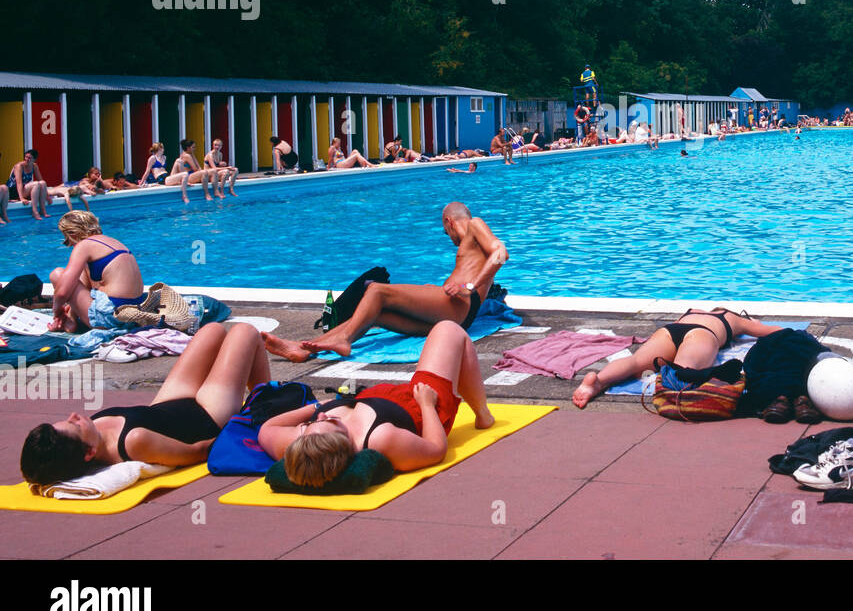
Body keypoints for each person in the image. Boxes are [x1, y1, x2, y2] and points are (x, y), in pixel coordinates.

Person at [20, 322, 270, 485]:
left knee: (212, 331)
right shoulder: (134, 442)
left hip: (167, 404)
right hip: (206, 414)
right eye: (74, 425)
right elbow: (198, 452)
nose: (74, 415)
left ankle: (267, 399)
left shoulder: (92, 435)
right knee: (244, 333)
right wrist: (241, 429)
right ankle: (268, 408)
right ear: (89, 453)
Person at [266, 202, 508, 361]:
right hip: (458, 318)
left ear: (449, 221)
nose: (451, 240)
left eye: (447, 233)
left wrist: (468, 287)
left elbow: (500, 253)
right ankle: (304, 348)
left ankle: (342, 340)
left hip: (459, 305)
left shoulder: (475, 224)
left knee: (376, 290)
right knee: (376, 314)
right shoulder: (472, 244)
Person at [257, 321, 494, 484]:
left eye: (309, 425)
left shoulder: (305, 443)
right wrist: (427, 405)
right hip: (418, 403)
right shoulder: (381, 439)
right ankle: (483, 414)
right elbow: (435, 450)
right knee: (449, 330)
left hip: (379, 399)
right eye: (330, 420)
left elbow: (267, 429)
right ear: (345, 444)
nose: (321, 417)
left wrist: (316, 407)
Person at [572, 307, 787, 408]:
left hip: (670, 330)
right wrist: (750, 324)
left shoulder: (691, 311)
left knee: (637, 362)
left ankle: (597, 381)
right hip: (702, 333)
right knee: (685, 369)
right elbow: (770, 331)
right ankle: (670, 388)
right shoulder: (731, 318)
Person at [47, 210, 147, 333]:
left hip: (110, 319)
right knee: (78, 275)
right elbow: (85, 286)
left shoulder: (84, 245)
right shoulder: (114, 243)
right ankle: (71, 319)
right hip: (133, 317)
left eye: (67, 240)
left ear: (72, 234)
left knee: (57, 274)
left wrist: (57, 312)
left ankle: (67, 321)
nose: (70, 244)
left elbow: (62, 292)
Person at [7, 148, 52, 219]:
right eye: (26, 157)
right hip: (13, 191)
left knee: (43, 183)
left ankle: (43, 210)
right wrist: (21, 198)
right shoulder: (19, 166)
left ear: (34, 159)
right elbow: (19, 183)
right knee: (36, 184)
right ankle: (34, 212)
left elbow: (41, 179)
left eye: (29, 158)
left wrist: (47, 196)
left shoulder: (34, 166)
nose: (27, 159)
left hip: (23, 189)